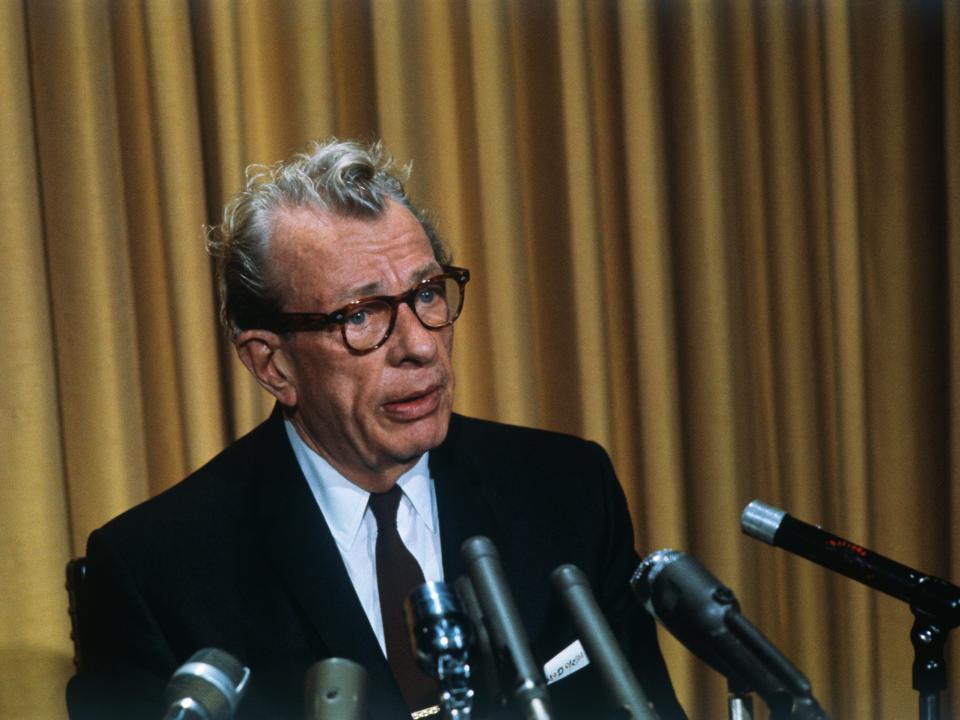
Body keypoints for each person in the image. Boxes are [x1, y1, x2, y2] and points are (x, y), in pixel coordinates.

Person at [66, 138, 685, 719]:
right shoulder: (156, 573)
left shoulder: (566, 491)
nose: (419, 346)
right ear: (272, 363)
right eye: (360, 315)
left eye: (427, 294)